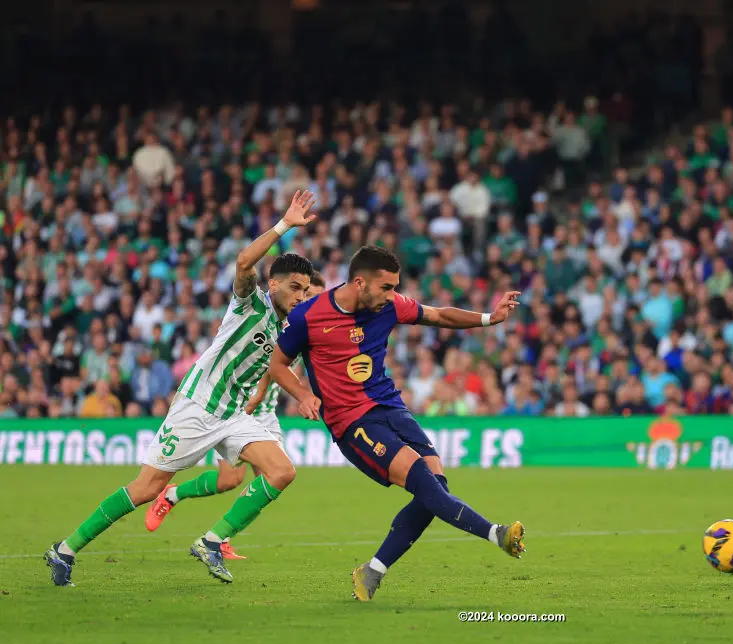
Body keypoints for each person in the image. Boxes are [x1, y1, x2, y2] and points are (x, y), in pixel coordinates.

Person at [43, 190, 319, 587]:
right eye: (295, 288)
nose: (300, 296)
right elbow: (243, 262)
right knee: (144, 488)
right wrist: (284, 225)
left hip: (233, 414)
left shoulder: (288, 329)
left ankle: (211, 541)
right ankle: (65, 549)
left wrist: (305, 395)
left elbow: (277, 368)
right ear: (273, 283)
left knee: (281, 471)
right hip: (197, 406)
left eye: (305, 291)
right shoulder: (249, 303)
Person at [269, 245, 525, 601]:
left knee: (435, 485)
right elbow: (278, 364)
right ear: (360, 283)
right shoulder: (309, 316)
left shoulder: (388, 306)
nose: (393, 295)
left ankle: (372, 571)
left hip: (390, 407)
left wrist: (488, 318)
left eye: (395, 287)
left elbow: (438, 316)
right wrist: (304, 395)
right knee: (425, 483)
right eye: (386, 287)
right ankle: (495, 533)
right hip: (351, 421)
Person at [141, 271, 328, 561]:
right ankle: (180, 504)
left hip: (264, 413)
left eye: (314, 297)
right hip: (244, 406)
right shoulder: (280, 319)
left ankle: (213, 531)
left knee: (265, 476)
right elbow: (271, 365)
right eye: (306, 294)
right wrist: (260, 395)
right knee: (235, 480)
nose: (307, 300)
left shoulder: (309, 326)